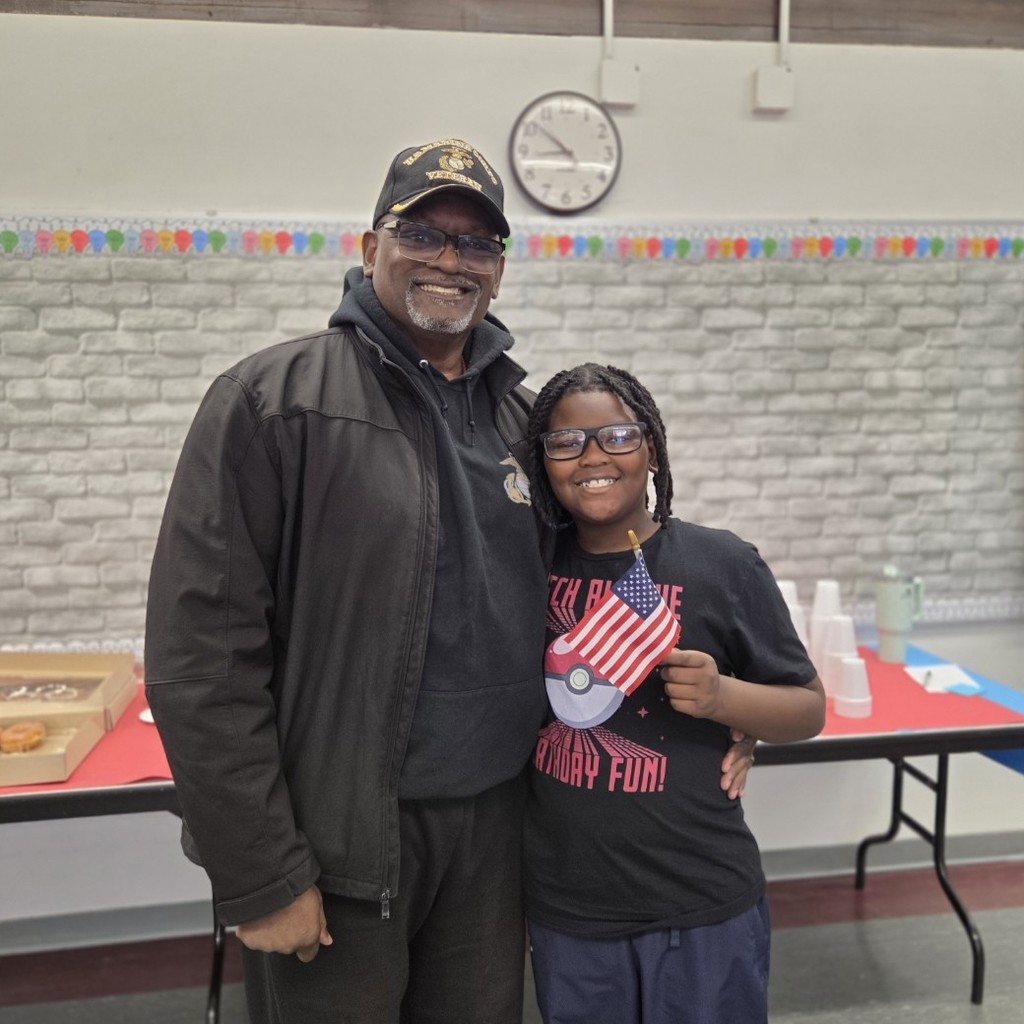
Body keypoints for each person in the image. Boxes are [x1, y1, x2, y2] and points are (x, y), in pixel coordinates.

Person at [144, 138, 754, 1024]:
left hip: (498, 837)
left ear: (499, 272)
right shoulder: (276, 404)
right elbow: (202, 653)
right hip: (340, 839)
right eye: (423, 232)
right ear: (369, 248)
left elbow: (590, 602)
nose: (449, 259)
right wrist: (260, 871)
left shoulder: (521, 421)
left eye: (477, 244)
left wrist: (726, 714)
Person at [522, 363, 826, 1024]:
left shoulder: (721, 564)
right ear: (543, 461)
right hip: (571, 909)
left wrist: (724, 700)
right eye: (566, 443)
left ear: (651, 448)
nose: (593, 457)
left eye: (617, 437)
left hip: (700, 897)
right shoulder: (523, 564)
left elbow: (807, 709)